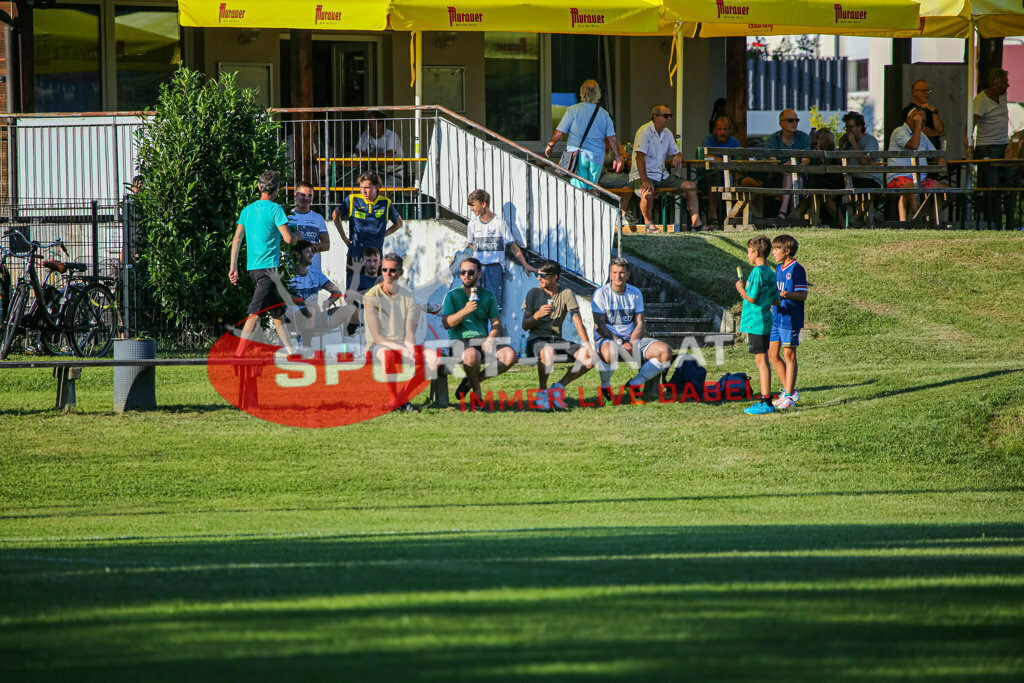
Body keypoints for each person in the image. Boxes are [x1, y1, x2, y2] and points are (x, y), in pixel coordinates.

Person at [228, 169, 298, 355]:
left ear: (259, 187)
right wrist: (297, 234)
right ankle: (239, 354)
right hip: (268, 269)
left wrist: (232, 267)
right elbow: (288, 239)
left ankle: (292, 352)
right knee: (254, 313)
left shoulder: (247, 210)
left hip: (253, 268)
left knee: (277, 313)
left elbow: (237, 239)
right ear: (277, 190)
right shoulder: (276, 209)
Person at [521, 260, 595, 410]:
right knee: (548, 352)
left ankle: (558, 387)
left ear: (554, 277)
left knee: (590, 359)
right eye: (537, 274)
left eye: (542, 275)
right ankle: (542, 391)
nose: (538, 278)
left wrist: (587, 345)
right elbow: (524, 325)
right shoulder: (533, 293)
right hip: (536, 340)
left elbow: (577, 320)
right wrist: (537, 315)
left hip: (557, 340)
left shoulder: (566, 293)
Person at [591, 257, 672, 395]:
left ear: (628, 274)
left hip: (632, 339)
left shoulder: (635, 293)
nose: (618, 276)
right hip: (609, 339)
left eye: (622, 272)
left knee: (666, 352)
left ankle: (634, 384)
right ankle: (605, 388)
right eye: (614, 272)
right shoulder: (600, 293)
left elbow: (640, 322)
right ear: (610, 274)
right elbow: (599, 325)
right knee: (609, 353)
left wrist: (633, 342)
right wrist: (620, 342)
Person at [441, 257, 517, 400]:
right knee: (471, 355)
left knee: (509, 355)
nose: (466, 276)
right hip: (460, 341)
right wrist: (465, 311)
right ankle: (477, 392)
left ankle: (469, 382)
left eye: (470, 272)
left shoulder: (488, 296)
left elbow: (496, 324)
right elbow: (446, 324)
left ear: (479, 274)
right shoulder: (452, 295)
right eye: (462, 272)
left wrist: (490, 340)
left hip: (482, 341)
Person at [364, 252, 431, 413]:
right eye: (384, 270)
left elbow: (409, 332)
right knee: (387, 354)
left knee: (433, 358)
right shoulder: (371, 296)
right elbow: (376, 336)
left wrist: (409, 347)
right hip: (377, 345)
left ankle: (401, 398)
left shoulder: (407, 296)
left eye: (392, 271)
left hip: (400, 343)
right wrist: (401, 349)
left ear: (400, 273)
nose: (388, 274)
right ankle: (396, 399)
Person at [629, 105, 700, 232]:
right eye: (665, 115)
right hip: (643, 174)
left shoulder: (667, 133)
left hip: (662, 175)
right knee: (647, 193)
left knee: (691, 185)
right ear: (655, 117)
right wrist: (644, 180)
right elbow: (639, 157)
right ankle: (648, 223)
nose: (669, 118)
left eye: (670, 115)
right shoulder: (644, 131)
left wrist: (678, 156)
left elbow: (677, 152)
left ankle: (697, 223)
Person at [543, 80, 624, 191]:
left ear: (582, 92)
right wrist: (618, 158)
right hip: (596, 158)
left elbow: (559, 132)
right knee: (591, 189)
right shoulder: (604, 114)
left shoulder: (573, 110)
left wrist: (550, 145)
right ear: (598, 94)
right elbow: (612, 137)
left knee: (580, 191)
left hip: (578, 156)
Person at [465, 189, 538, 310]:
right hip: (477, 270)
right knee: (475, 307)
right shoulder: (472, 224)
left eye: (473, 205)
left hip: (494, 269)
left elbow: (513, 247)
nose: (471, 209)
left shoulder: (500, 224)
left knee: (493, 309)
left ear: (484, 204)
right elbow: (472, 245)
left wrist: (525, 264)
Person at [736, 235, 779, 415]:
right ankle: (765, 398)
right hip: (766, 320)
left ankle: (765, 399)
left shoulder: (756, 272)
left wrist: (740, 288)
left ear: (755, 252)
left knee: (761, 361)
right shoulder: (770, 271)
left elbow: (751, 297)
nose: (748, 256)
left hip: (756, 322)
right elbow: (776, 300)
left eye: (748, 252)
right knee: (763, 361)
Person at [887, 107, 950, 221]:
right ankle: (919, 223)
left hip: (920, 179)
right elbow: (913, 146)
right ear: (910, 119)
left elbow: (935, 154)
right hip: (899, 177)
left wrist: (941, 158)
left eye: (923, 121)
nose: (922, 123)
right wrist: (917, 127)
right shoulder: (899, 131)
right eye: (919, 120)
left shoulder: (922, 135)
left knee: (949, 192)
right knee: (913, 191)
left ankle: (931, 220)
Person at [748, 109, 812, 220]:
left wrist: (795, 168)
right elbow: (773, 161)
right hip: (777, 176)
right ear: (781, 123)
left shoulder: (804, 137)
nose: (795, 123)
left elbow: (806, 160)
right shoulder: (773, 139)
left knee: (792, 175)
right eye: (791, 120)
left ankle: (783, 212)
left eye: (797, 120)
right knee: (789, 173)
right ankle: (794, 216)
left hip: (800, 175)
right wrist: (785, 167)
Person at [332, 171, 403, 269]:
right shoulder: (352, 199)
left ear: (377, 186)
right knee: (354, 285)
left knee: (375, 285)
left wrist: (383, 234)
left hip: (375, 259)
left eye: (367, 187)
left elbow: (399, 223)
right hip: (355, 257)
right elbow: (335, 215)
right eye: (361, 187)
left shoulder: (386, 203)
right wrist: (343, 237)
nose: (363, 191)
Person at [768, 234, 808, 411]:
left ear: (787, 251)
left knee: (789, 356)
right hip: (776, 318)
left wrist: (785, 295)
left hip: (790, 319)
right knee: (772, 355)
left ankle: (789, 395)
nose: (773, 252)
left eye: (777, 249)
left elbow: (803, 295)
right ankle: (789, 392)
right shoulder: (778, 269)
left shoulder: (797, 269)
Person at [973, 68, 1014, 227]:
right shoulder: (981, 100)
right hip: (987, 147)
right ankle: (994, 225)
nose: (1007, 85)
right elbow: (972, 122)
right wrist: (969, 143)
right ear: (994, 83)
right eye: (1004, 82)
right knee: (992, 187)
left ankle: (1010, 225)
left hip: (1004, 145)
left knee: (1010, 184)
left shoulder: (1002, 97)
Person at [288, 180, 341, 299]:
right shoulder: (287, 217)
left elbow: (326, 245)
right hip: (292, 273)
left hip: (313, 272)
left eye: (310, 195)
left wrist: (305, 249)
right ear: (295, 195)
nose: (306, 198)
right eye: (303, 195)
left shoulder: (318, 218)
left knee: (312, 309)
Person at [695, 115, 742, 226]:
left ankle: (744, 217)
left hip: (730, 178)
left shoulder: (734, 142)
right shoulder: (708, 140)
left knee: (751, 182)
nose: (722, 132)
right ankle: (713, 219)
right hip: (707, 179)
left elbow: (740, 162)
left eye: (725, 129)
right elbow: (705, 155)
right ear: (714, 130)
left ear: (729, 130)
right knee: (713, 180)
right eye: (719, 129)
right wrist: (724, 161)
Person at [805, 128, 844, 225]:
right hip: (817, 187)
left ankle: (843, 225)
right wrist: (816, 151)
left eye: (822, 138)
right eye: (817, 138)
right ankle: (809, 223)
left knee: (826, 199)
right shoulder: (813, 155)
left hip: (834, 187)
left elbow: (832, 173)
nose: (818, 140)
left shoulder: (834, 155)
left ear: (829, 142)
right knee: (812, 197)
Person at [356, 110, 404, 186]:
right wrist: (372, 156)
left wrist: (369, 156)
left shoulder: (391, 135)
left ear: (380, 125)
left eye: (370, 124)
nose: (368, 127)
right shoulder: (366, 134)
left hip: (393, 173)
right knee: (355, 186)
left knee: (382, 190)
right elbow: (358, 151)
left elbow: (389, 155)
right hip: (372, 174)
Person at [838, 111, 882, 189]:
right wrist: (841, 145)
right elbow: (840, 164)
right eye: (847, 127)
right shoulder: (847, 143)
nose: (848, 130)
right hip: (851, 179)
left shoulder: (870, 140)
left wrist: (853, 142)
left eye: (851, 127)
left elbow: (864, 161)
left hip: (869, 180)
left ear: (860, 127)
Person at [901, 80, 944, 149]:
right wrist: (935, 133)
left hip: (934, 151)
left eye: (928, 91)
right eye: (923, 91)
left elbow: (940, 130)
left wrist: (933, 111)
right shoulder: (908, 111)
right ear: (914, 93)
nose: (927, 93)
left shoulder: (930, 111)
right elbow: (918, 131)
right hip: (919, 151)